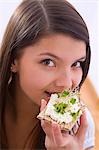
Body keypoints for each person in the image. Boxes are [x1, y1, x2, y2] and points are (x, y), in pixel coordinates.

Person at [0, 0, 95, 149]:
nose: (67, 83)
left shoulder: (81, 126)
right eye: (48, 62)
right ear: (13, 60)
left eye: (76, 64)